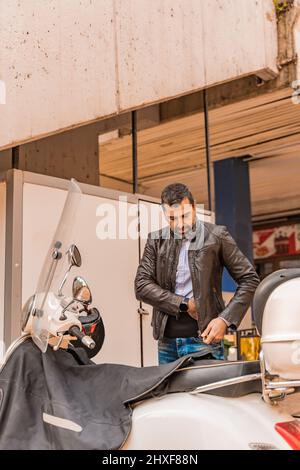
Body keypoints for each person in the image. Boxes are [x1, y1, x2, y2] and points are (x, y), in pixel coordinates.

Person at [134, 183, 260, 364]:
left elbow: (250, 279)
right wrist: (185, 304)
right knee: (170, 394)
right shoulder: (156, 240)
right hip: (166, 344)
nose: (179, 224)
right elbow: (141, 285)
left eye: (184, 216)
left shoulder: (217, 236)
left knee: (206, 393)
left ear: (194, 208)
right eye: (171, 218)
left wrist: (224, 320)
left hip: (204, 341)